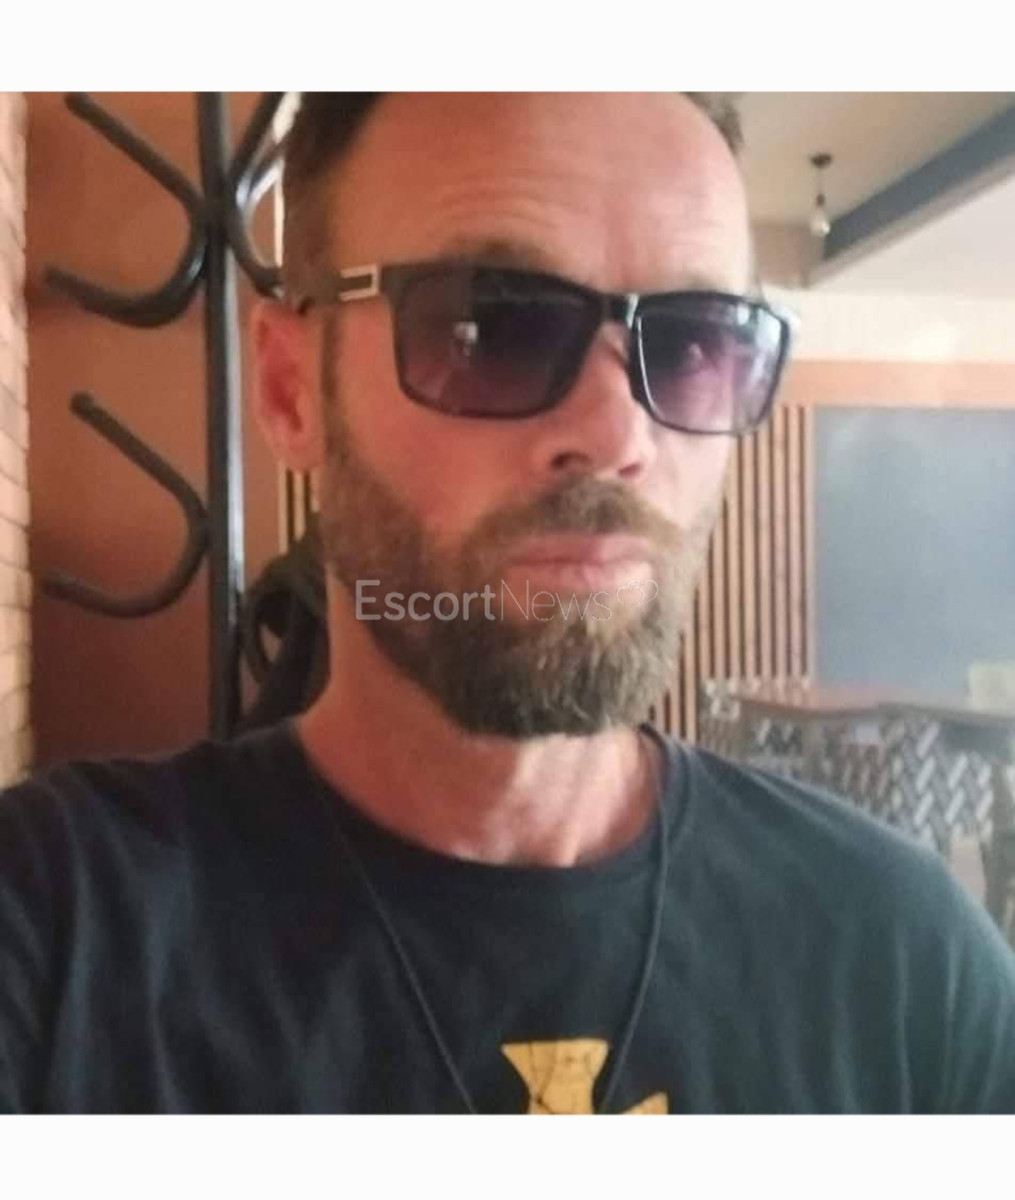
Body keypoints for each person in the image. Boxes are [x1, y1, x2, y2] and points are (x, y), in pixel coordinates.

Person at [2, 92, 1015, 1115]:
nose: (617, 435)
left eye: (692, 343)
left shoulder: (907, 968)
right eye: (490, 327)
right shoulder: (57, 930)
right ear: (289, 390)